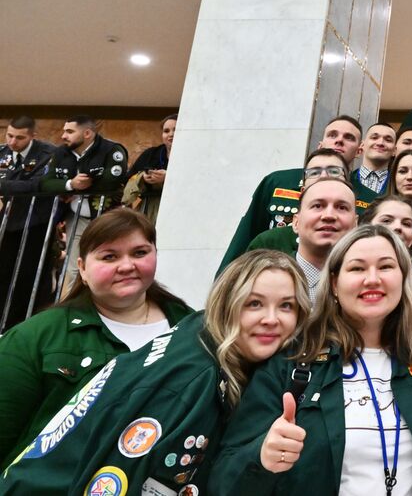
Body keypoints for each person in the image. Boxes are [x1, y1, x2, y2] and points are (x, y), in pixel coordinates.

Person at [0, 251, 309, 496]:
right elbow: (119, 480)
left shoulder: (196, 330)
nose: (271, 319)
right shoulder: (193, 383)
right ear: (227, 305)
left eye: (286, 306)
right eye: (253, 304)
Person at [213, 225, 412, 496]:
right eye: (357, 268)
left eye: (385, 267)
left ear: (404, 277)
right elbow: (223, 478)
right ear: (334, 283)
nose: (372, 279)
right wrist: (261, 455)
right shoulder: (294, 360)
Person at [0, 209, 192, 465]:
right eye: (109, 256)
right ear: (82, 268)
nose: (127, 266)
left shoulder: (194, 328)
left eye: (139, 253)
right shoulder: (34, 338)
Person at [220, 116, 363, 269]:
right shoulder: (278, 182)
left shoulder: (367, 196)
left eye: (342, 207)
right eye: (332, 135)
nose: (339, 140)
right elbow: (246, 235)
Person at [41, 116, 131, 286]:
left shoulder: (111, 149)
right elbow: (46, 183)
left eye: (69, 131)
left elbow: (112, 179)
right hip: (75, 218)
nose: (63, 136)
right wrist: (70, 184)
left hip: (108, 218)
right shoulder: (61, 152)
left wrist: (79, 187)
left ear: (87, 133)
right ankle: (74, 306)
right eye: (64, 131)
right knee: (74, 266)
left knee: (107, 261)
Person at [247, 175, 358, 302]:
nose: (329, 216)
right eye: (317, 206)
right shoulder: (257, 281)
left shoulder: (366, 286)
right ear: (296, 222)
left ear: (355, 224)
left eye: (342, 207)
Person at [0, 115, 60, 330]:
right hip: (5, 224)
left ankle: (25, 325)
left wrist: (5, 186)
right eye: (9, 135)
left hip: (35, 224)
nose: (12, 142)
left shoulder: (48, 154)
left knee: (29, 276)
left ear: (33, 136)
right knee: (3, 275)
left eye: (20, 138)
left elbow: (41, 185)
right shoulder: (2, 152)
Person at [121, 112, 176, 220]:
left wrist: (168, 177)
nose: (171, 134)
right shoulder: (151, 153)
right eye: (166, 131)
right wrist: (143, 177)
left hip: (179, 207)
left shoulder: (194, 156)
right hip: (150, 207)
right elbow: (128, 178)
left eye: (176, 130)